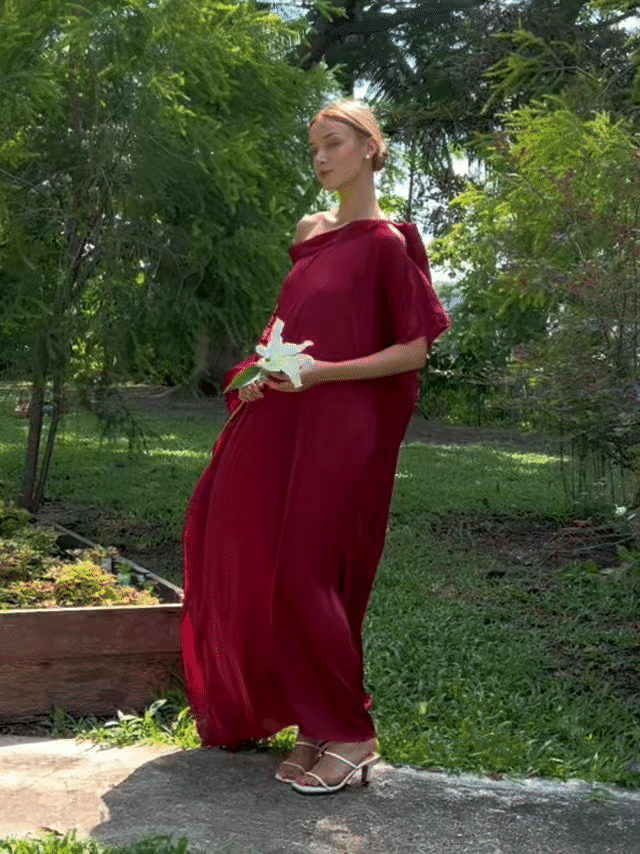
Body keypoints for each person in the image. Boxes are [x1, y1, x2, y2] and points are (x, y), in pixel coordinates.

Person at [181, 99, 450, 795]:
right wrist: (260, 370)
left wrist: (327, 373)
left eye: (333, 144)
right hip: (285, 414)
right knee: (257, 553)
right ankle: (313, 724)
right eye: (314, 149)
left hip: (345, 424)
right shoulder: (311, 231)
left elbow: (413, 350)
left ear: (369, 148)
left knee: (311, 569)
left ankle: (353, 733)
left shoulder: (390, 244)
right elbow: (288, 321)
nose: (321, 158)